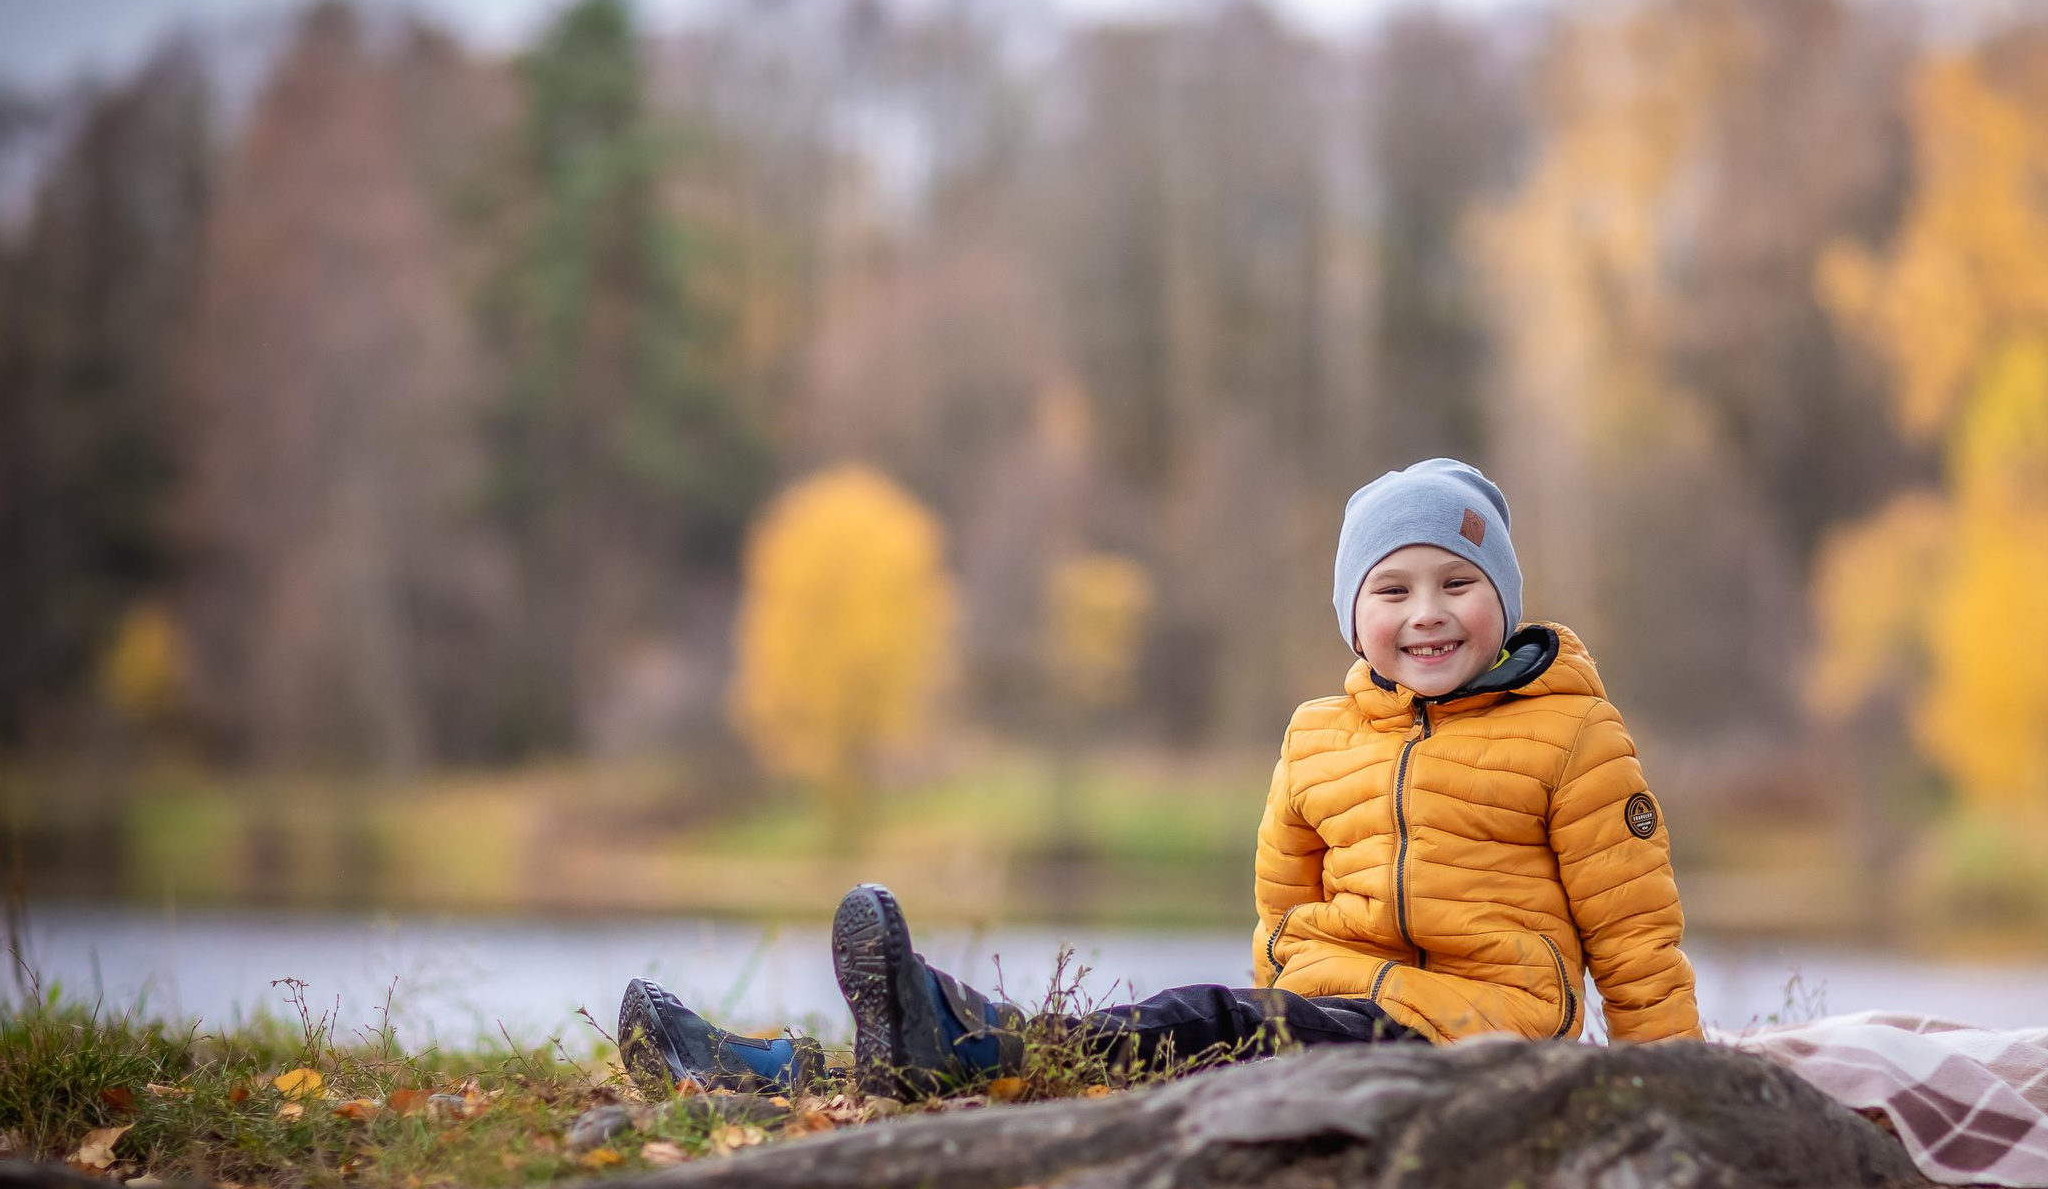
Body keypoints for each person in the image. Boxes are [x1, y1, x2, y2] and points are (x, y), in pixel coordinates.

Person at [618, 458, 1701, 1100]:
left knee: (1190, 1020)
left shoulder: (1571, 737)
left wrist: (1677, 1092)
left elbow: (1635, 937)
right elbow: (1284, 892)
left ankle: (946, 1034)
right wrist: (1292, 975)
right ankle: (775, 1071)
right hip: (1329, 1010)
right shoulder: (1319, 736)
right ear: (1351, 614)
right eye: (1393, 588)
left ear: (1503, 601)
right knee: (1192, 1025)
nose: (1427, 612)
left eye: (1458, 583)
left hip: (1470, 1036)